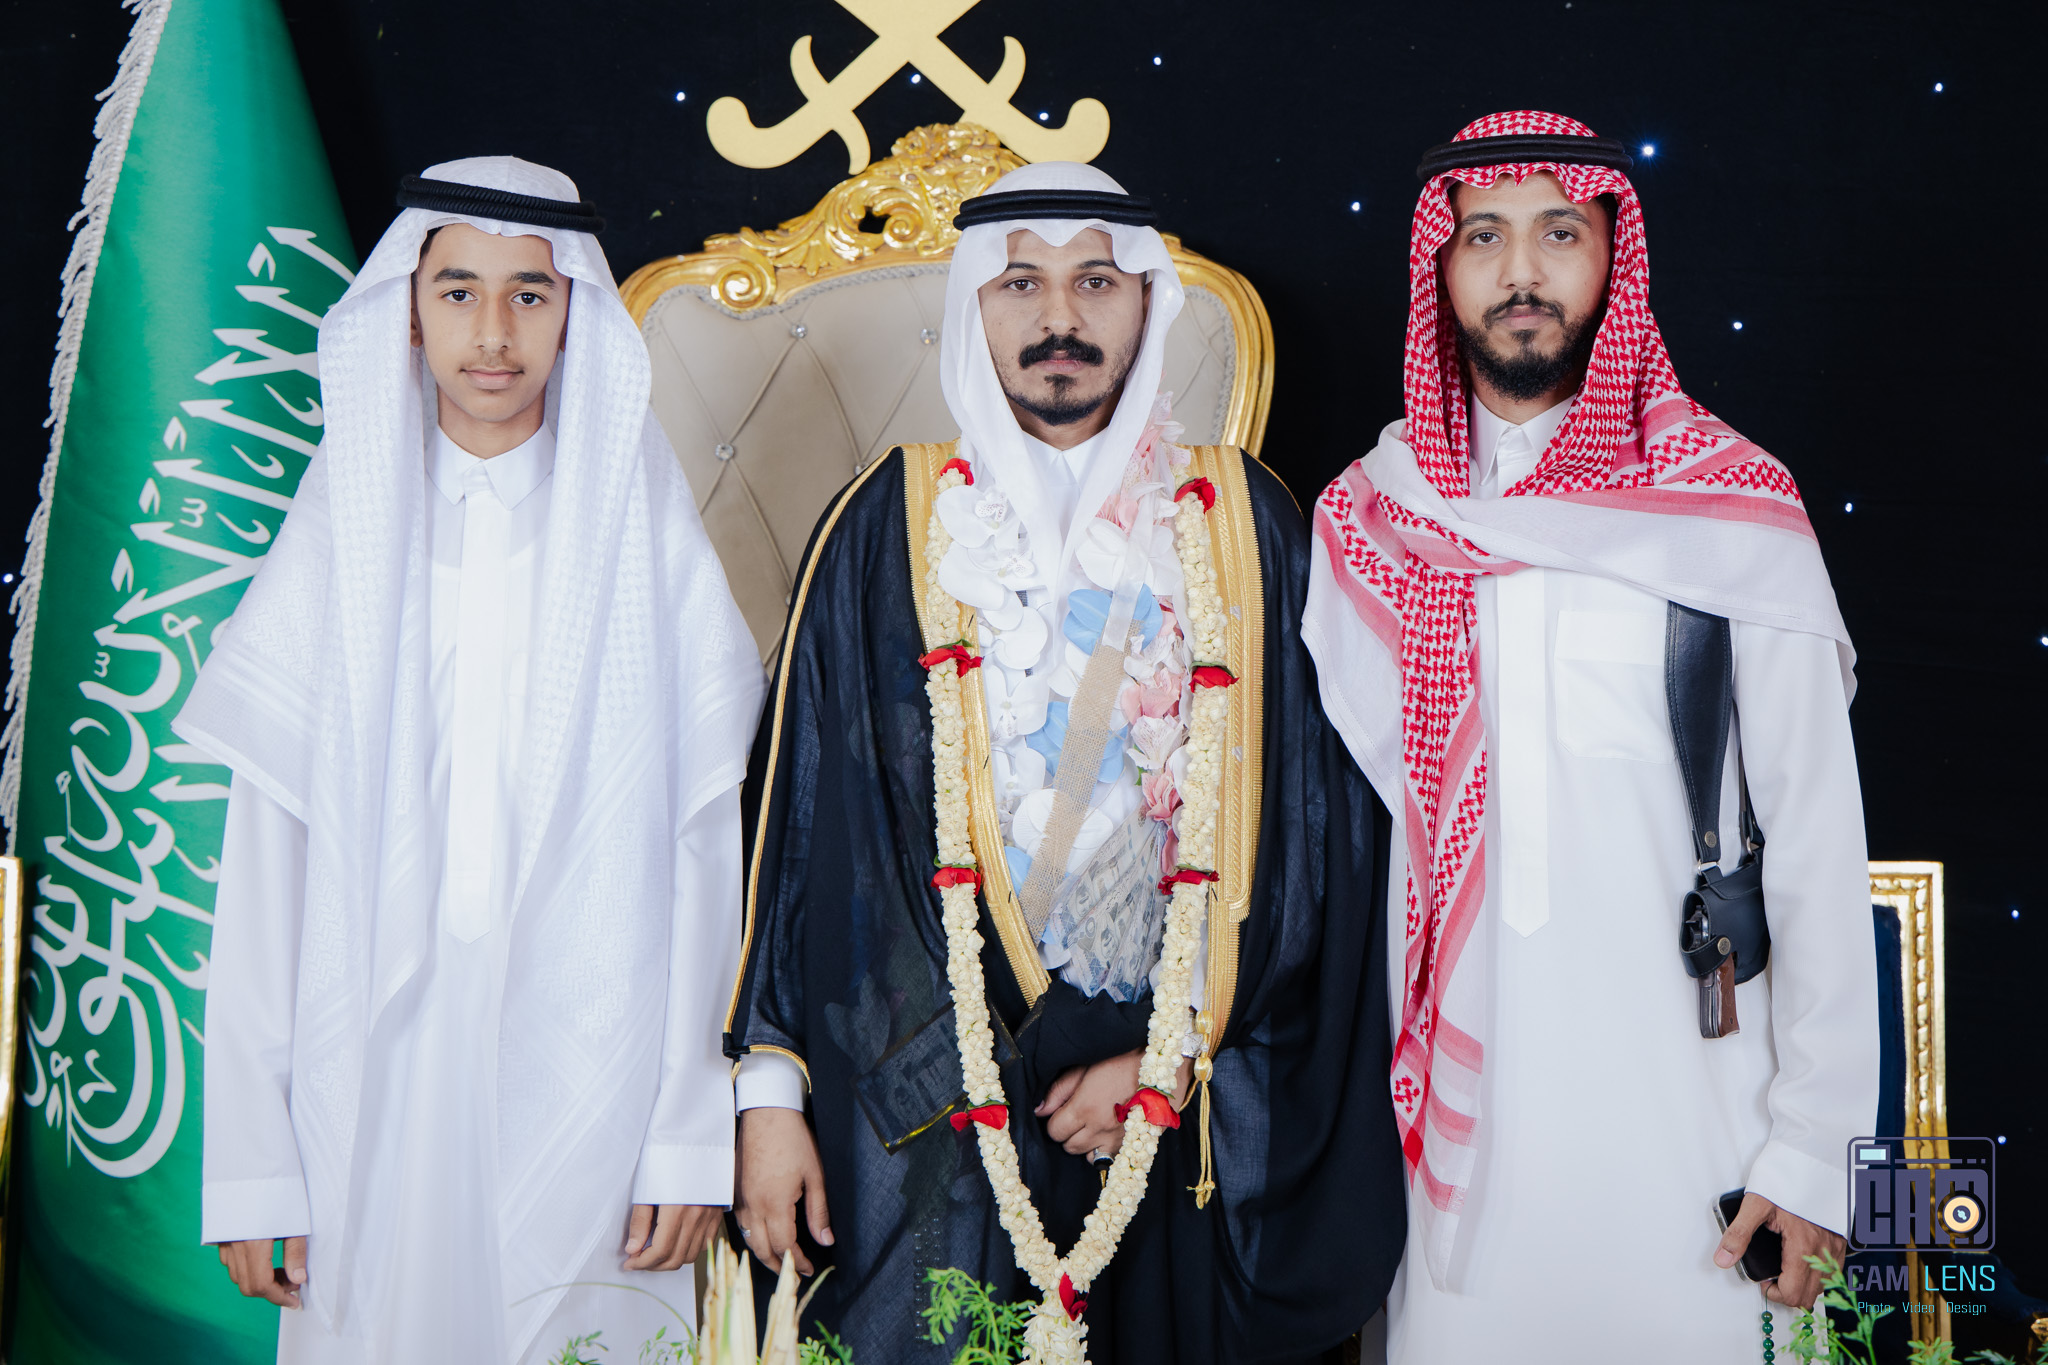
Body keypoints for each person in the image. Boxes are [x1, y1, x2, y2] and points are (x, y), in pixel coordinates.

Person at [726, 161, 1405, 1364]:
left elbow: (1319, 845)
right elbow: (801, 829)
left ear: (1144, 300)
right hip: (926, 1107)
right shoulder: (884, 522)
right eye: (1020, 285)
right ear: (972, 309)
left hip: (1170, 1101)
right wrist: (768, 1102)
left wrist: (1167, 1058)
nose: (1058, 319)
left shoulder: (1243, 526)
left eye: (1095, 282)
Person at [1301, 111, 1878, 1361]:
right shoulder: (1364, 523)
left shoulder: (1729, 509)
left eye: (1557, 234)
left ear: (1614, 260)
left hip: (1697, 1118)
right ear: (1438, 267)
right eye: (1483, 237)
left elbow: (1816, 846)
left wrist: (1815, 1151)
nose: (1520, 273)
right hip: (1450, 1144)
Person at [176, 157, 763, 1364]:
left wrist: (685, 1136)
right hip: (374, 1068)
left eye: (528, 295)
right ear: (406, 309)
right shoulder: (342, 532)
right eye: (457, 292)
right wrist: (252, 1163)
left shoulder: (638, 536)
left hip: (598, 1070)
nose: (493, 333)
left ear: (573, 314)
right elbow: (267, 862)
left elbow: (703, 854)